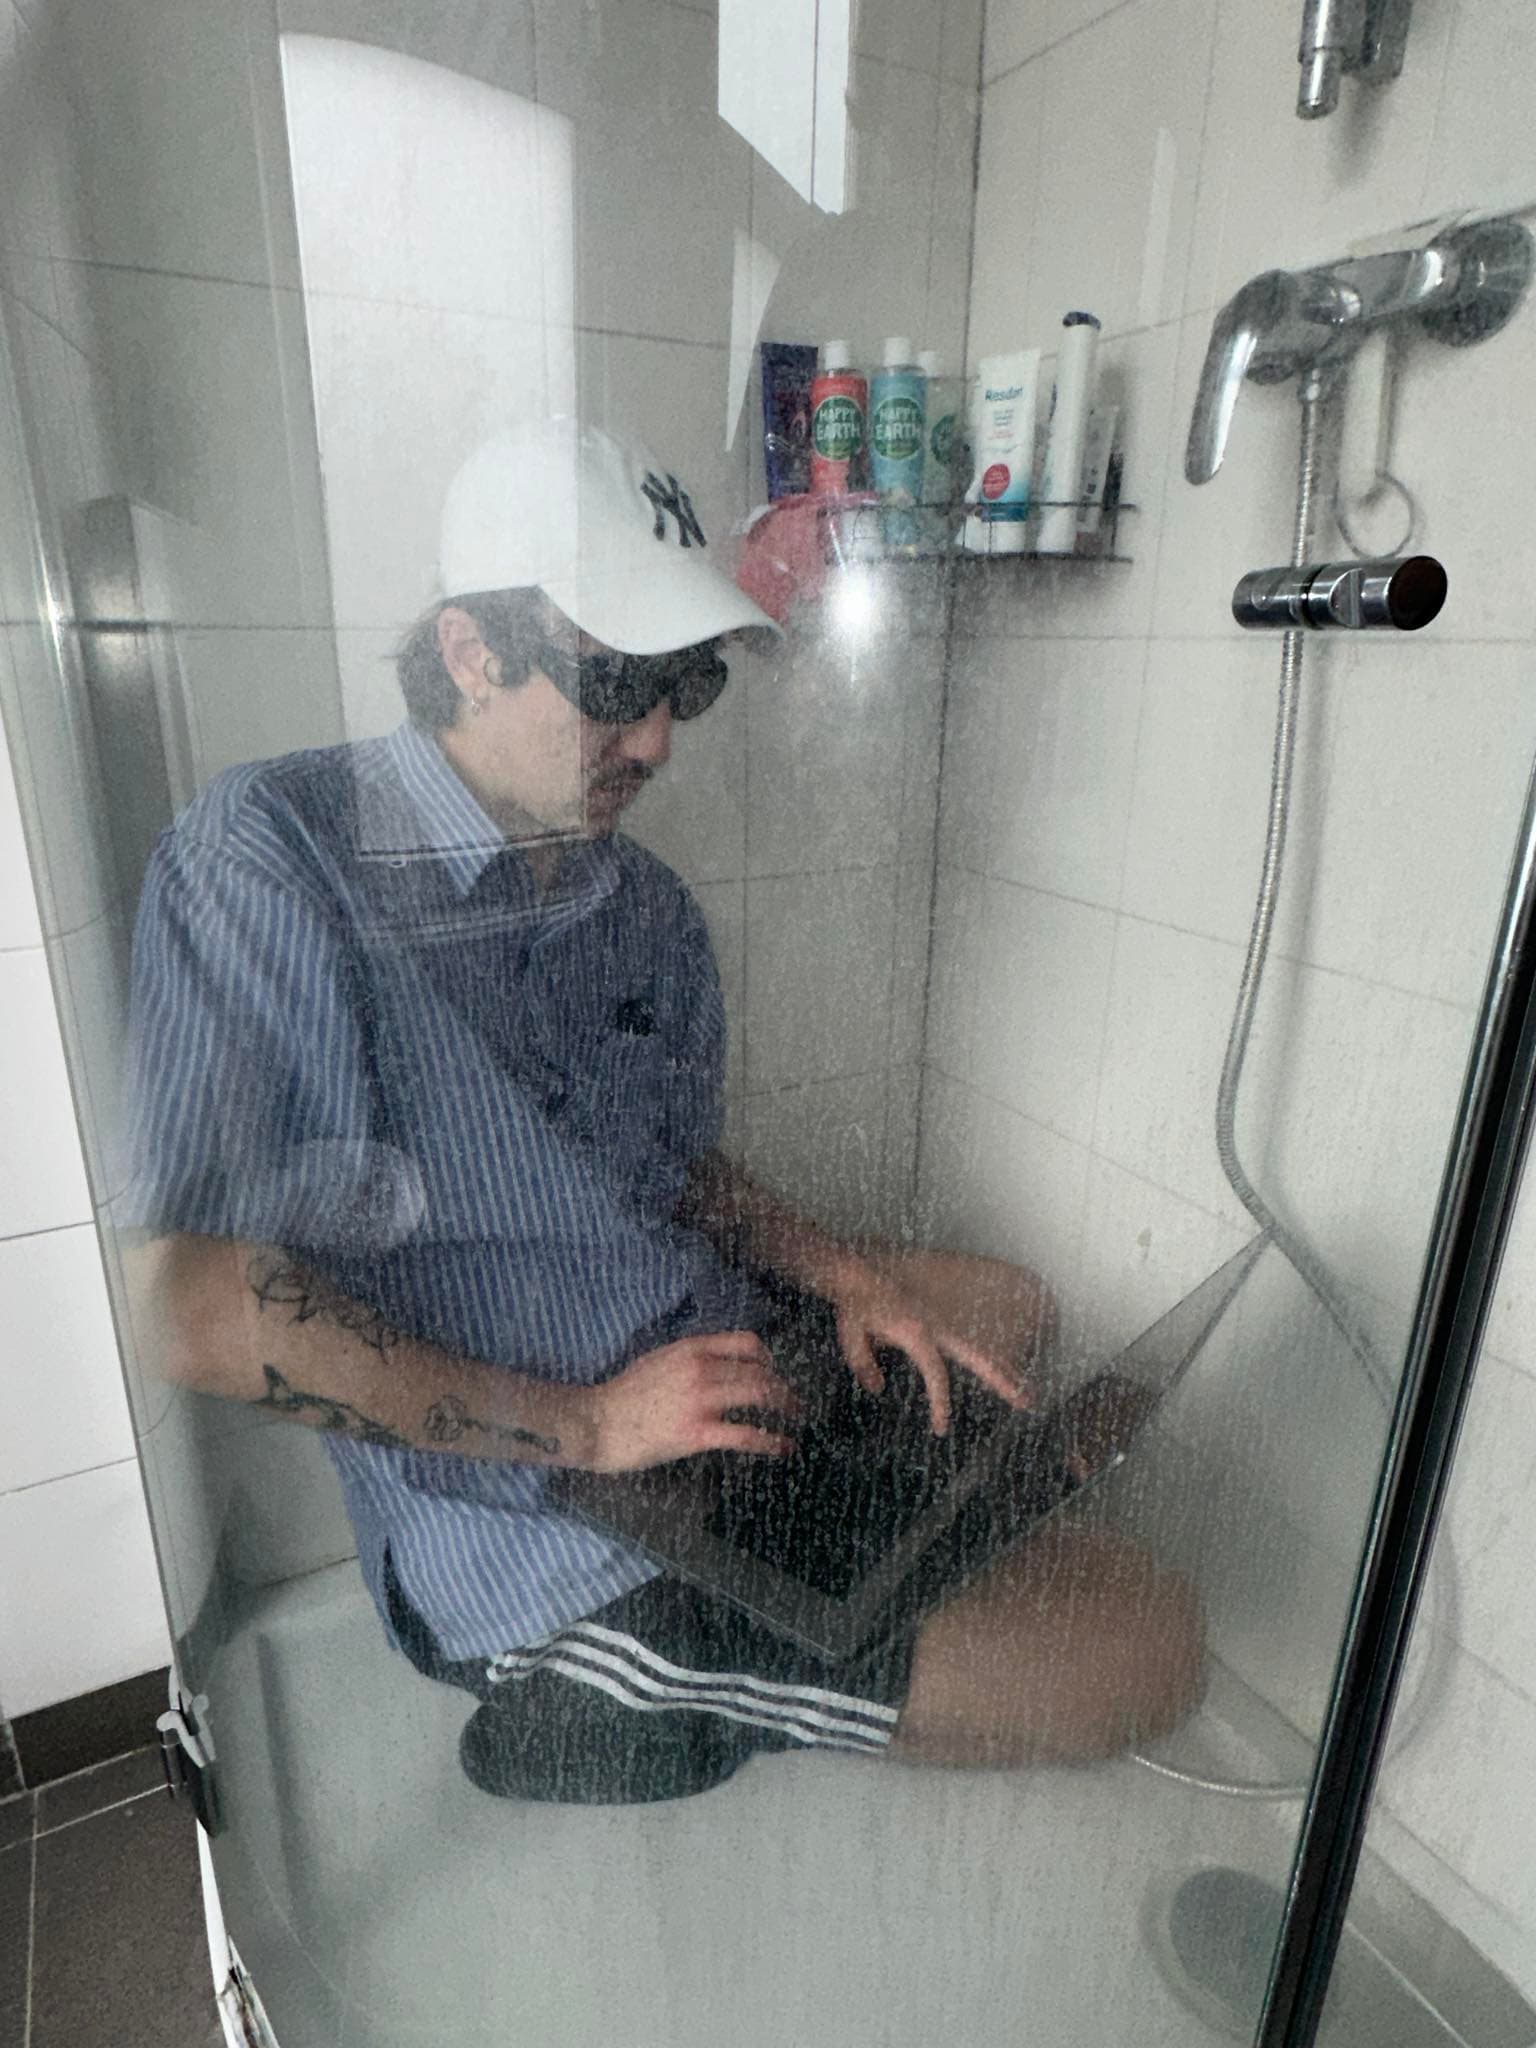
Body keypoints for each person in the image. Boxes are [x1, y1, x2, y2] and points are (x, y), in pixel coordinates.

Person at [128, 417, 1204, 1805]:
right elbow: (188, 1304)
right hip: (552, 1507)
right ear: (469, 651)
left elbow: (672, 1165)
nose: (655, 740)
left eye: (685, 684)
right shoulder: (271, 856)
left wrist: (844, 1275)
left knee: (1004, 1310)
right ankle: (595, 1681)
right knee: (1150, 1644)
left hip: (697, 1385)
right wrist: (590, 1426)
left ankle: (841, 1583)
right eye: (617, 680)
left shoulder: (635, 904)